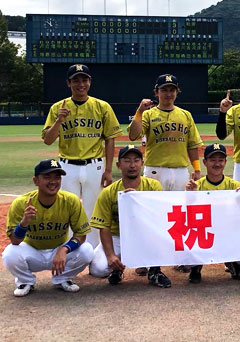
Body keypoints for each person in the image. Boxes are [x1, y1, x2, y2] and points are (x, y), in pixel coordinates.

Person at [128, 74, 203, 274]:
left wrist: (196, 169)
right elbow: (133, 135)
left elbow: (192, 144)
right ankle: (146, 258)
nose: (168, 93)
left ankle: (180, 257)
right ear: (156, 92)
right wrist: (139, 111)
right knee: (152, 214)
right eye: (164, 90)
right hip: (155, 170)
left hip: (180, 170)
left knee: (180, 215)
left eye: (172, 89)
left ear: (177, 92)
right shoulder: (148, 115)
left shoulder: (185, 115)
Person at [42, 64, 122, 248]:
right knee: (67, 209)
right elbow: (48, 140)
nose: (81, 84)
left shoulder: (102, 107)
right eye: (76, 80)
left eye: (84, 80)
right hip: (67, 166)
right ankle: (68, 251)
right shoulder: (58, 108)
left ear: (89, 82)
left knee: (94, 209)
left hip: (95, 165)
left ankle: (93, 252)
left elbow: (110, 139)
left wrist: (108, 169)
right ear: (68, 83)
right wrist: (59, 121)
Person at [2, 159, 94, 297]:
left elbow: (81, 234)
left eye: (57, 177)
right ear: (36, 181)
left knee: (87, 251)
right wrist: (24, 223)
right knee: (10, 253)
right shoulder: (21, 204)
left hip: (58, 250)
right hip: (32, 252)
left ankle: (62, 278)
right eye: (47, 177)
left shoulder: (70, 200)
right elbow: (15, 241)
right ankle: (25, 281)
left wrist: (64, 249)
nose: (53, 181)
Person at [88, 145, 172, 287]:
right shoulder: (108, 192)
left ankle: (155, 270)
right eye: (127, 161)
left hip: (145, 236)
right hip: (118, 236)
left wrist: (139, 199)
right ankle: (117, 269)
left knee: (165, 234)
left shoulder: (153, 186)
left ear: (142, 163)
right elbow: (104, 227)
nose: (132, 165)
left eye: (136, 160)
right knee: (98, 269)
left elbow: (160, 217)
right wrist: (110, 255)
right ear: (118, 165)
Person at [185, 143, 240, 282]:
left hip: (227, 230)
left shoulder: (234, 185)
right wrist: (190, 195)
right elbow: (186, 214)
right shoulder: (196, 185)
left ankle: (232, 261)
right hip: (204, 232)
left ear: (225, 162)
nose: (217, 164)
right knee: (187, 240)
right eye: (213, 160)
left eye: (220, 160)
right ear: (204, 162)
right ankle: (196, 265)